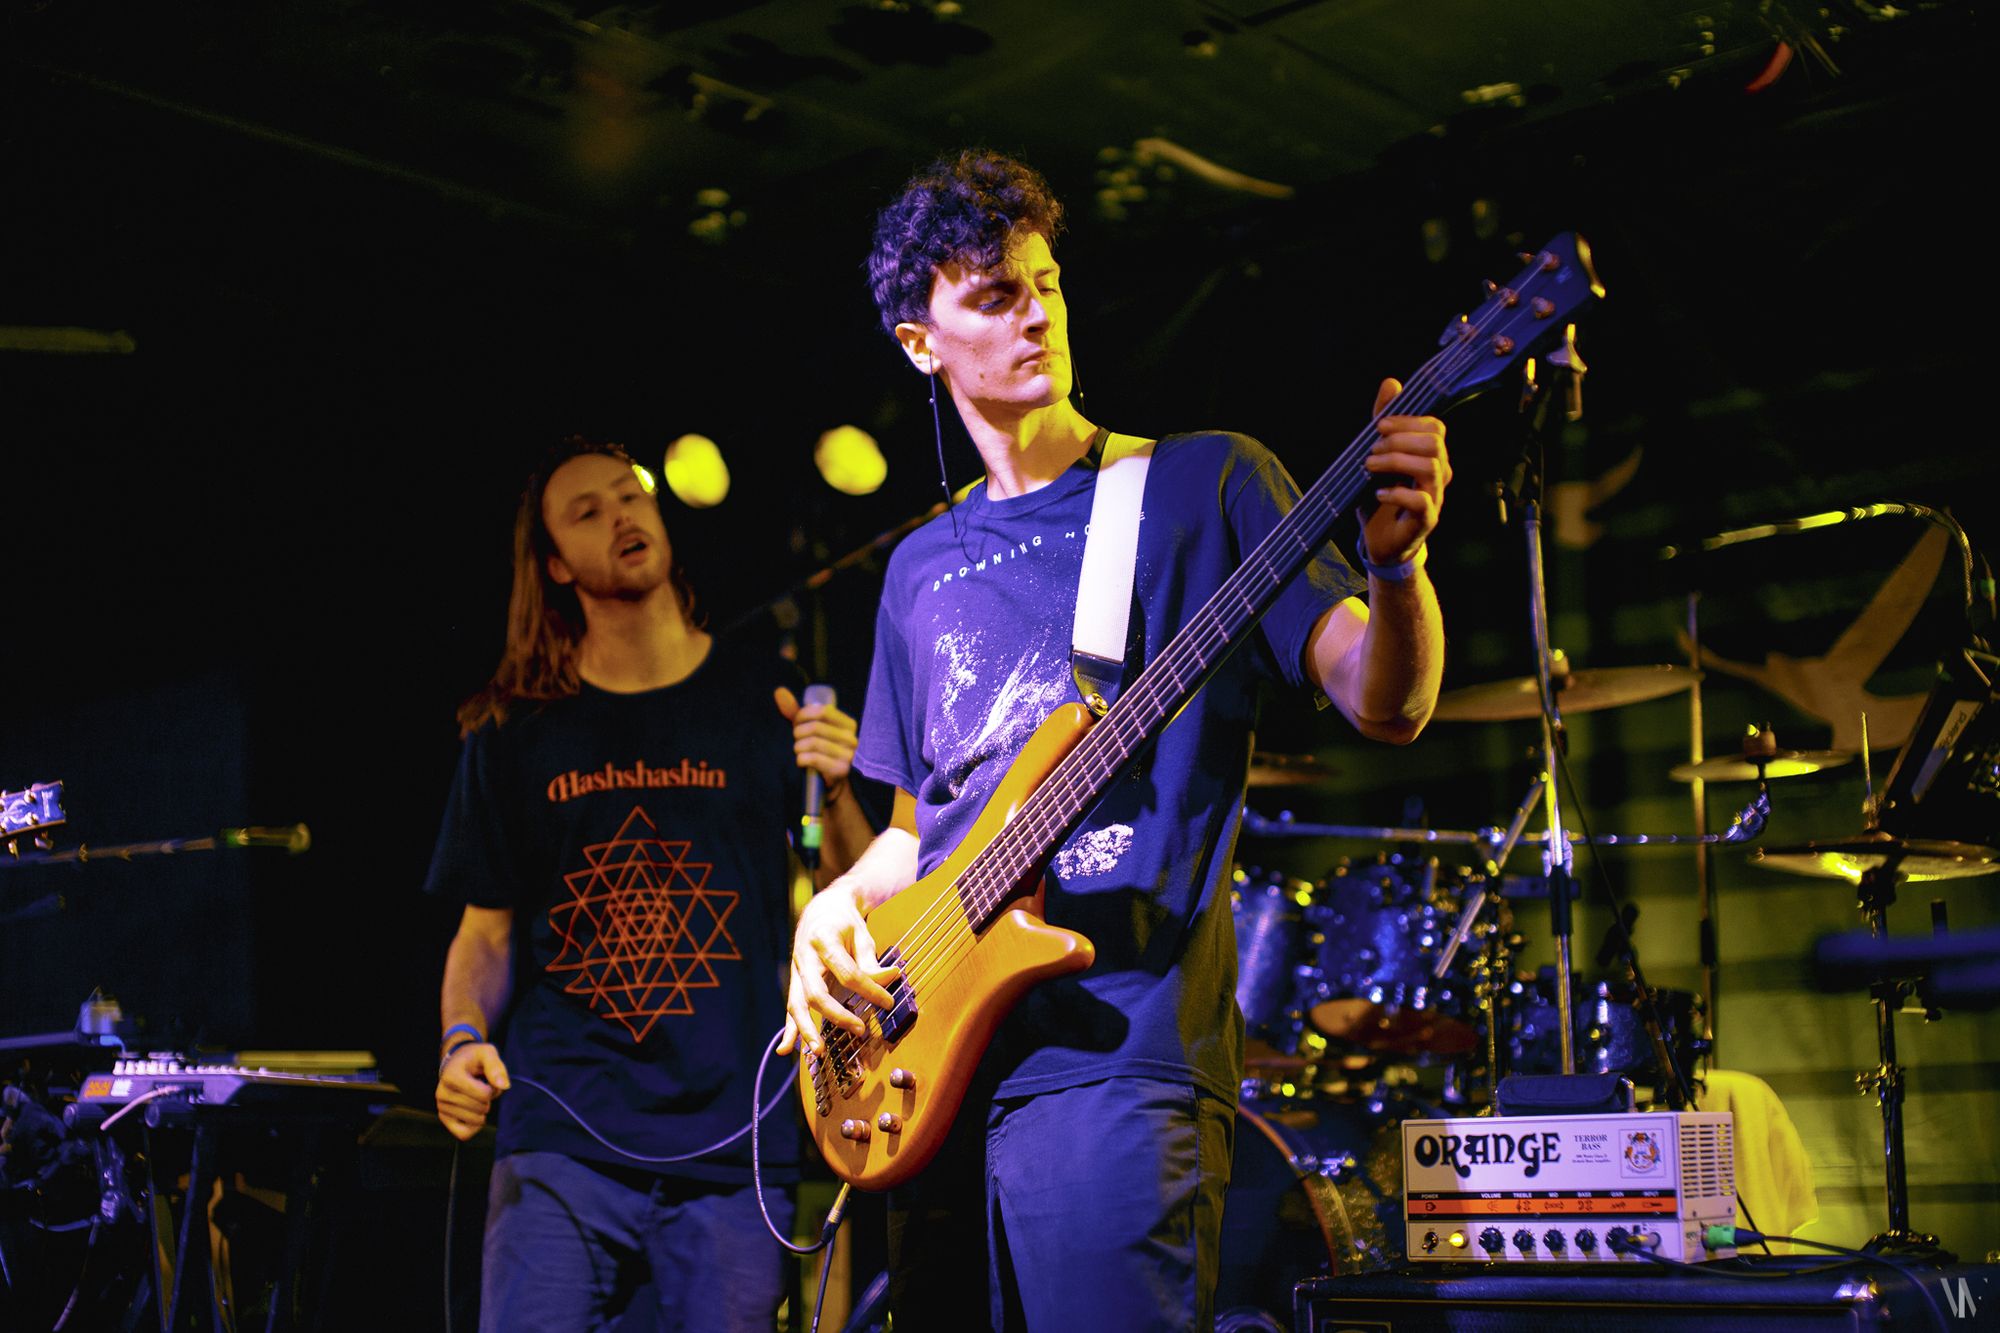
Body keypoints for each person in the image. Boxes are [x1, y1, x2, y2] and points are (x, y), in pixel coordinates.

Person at [780, 150, 1451, 1330]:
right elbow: (912, 836)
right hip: (925, 1062)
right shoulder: (916, 568)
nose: (1035, 313)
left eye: (1043, 282)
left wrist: (1396, 571)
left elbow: (1381, 700)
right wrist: (828, 910)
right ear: (919, 342)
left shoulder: (1202, 484)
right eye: (994, 295)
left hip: (1116, 1060)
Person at [427, 438, 871, 1333]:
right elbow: (486, 931)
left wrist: (839, 786)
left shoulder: (765, 695)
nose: (621, 515)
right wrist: (460, 1038)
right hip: (560, 1143)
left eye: (629, 495)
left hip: (734, 1145)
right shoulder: (515, 729)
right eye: (586, 511)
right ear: (556, 564)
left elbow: (860, 894)